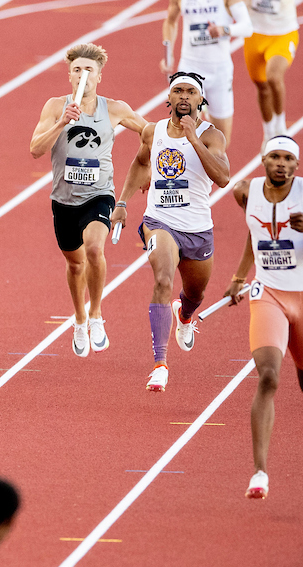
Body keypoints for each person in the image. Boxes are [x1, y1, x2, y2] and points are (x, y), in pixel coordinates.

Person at [223, 136, 303, 499]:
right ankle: (259, 472)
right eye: (274, 157)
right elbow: (256, 235)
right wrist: (239, 277)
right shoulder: (244, 191)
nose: (281, 163)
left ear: (296, 165)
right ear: (263, 160)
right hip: (267, 293)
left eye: (287, 158)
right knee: (268, 376)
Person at [110, 72, 231, 392]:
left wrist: (193, 139)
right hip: (159, 222)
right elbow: (139, 163)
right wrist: (122, 201)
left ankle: (186, 315)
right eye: (178, 91)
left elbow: (223, 177)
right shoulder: (153, 131)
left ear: (201, 100)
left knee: (195, 294)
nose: (183, 97)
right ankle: (160, 364)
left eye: (191, 92)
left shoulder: (211, 136)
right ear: (169, 98)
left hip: (198, 229)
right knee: (163, 278)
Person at [30, 43, 147, 357]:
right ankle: (79, 319)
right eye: (78, 69)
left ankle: (96, 313)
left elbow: (150, 132)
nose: (83, 74)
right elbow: (35, 149)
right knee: (75, 263)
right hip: (63, 199)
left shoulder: (115, 109)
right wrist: (61, 123)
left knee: (95, 249)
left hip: (99, 195)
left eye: (89, 70)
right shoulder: (56, 106)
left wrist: (147, 166)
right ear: (70, 76)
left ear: (99, 77)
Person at [159, 0, 253, 147]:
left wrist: (225, 29)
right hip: (190, 68)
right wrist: (168, 52)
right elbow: (170, 22)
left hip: (219, 70)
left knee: (222, 141)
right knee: (184, 133)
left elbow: (247, 27)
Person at [243, 0, 303, 141]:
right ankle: (269, 133)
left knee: (273, 77)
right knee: (262, 87)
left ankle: (280, 127)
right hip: (254, 33)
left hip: (283, 33)